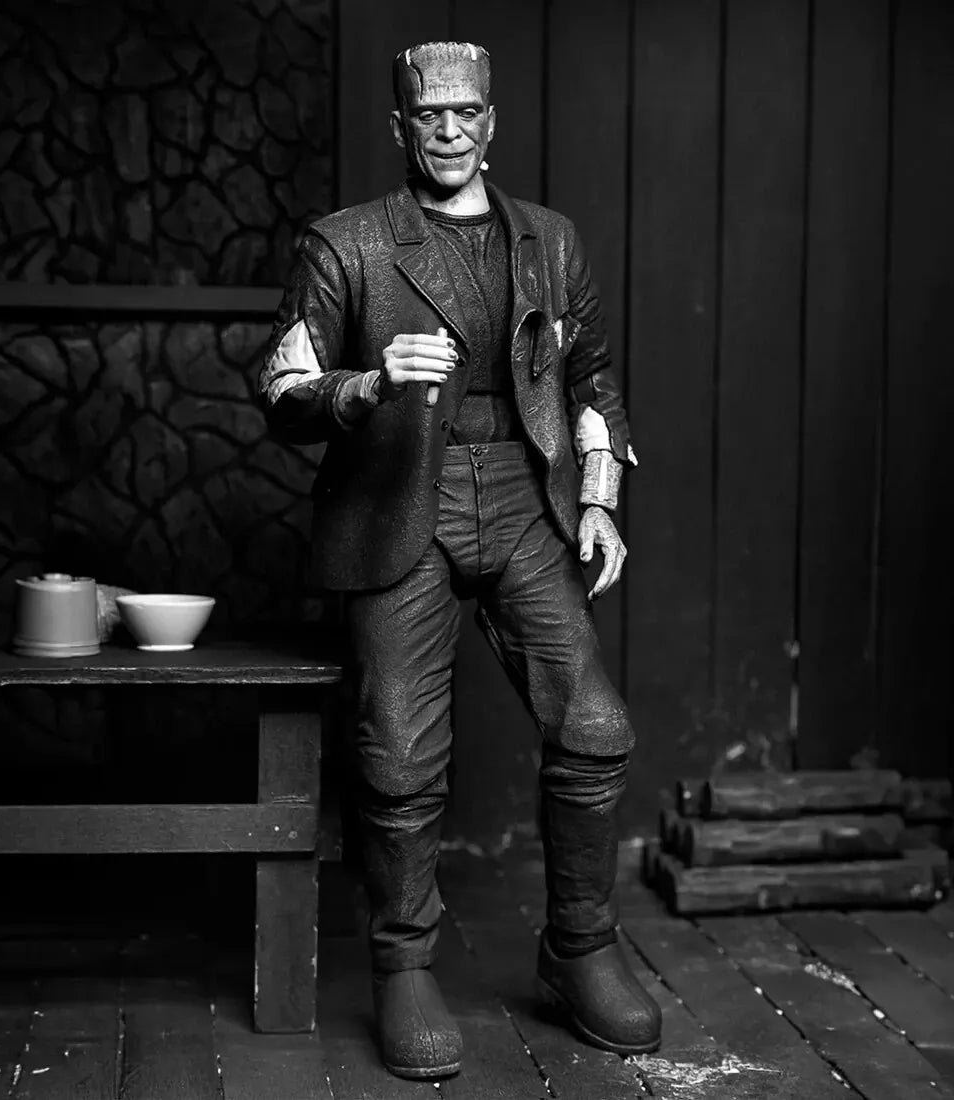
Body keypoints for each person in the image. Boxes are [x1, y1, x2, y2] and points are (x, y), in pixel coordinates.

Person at [258, 39, 661, 1080]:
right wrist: (367, 381)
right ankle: (403, 966)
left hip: (525, 501)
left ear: (491, 122)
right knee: (397, 752)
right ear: (401, 127)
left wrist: (600, 501)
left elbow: (592, 382)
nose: (448, 131)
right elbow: (280, 391)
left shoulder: (549, 242)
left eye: (466, 113)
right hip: (401, 502)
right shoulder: (346, 244)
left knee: (595, 728)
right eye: (428, 115)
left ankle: (579, 948)